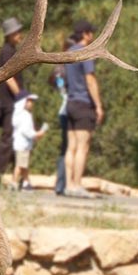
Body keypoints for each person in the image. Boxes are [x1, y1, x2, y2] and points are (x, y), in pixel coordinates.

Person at [64, 20, 104, 198]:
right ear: (86, 34)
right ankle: (77, 185)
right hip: (83, 104)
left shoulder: (69, 53)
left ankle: (68, 185)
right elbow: (90, 80)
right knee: (83, 147)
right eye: (91, 33)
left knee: (71, 147)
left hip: (70, 103)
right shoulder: (86, 53)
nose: (93, 36)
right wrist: (98, 105)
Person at [0, 17, 25, 182]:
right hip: (10, 103)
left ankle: (19, 177)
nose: (19, 34)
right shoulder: (7, 51)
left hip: (12, 102)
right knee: (8, 139)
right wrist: (21, 96)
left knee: (17, 139)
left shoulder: (11, 50)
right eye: (15, 32)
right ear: (9, 35)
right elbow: (8, 77)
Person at [53, 36, 76, 195]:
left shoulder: (60, 68)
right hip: (69, 108)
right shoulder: (65, 67)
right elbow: (62, 88)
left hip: (65, 108)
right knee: (68, 147)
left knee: (67, 147)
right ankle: (63, 184)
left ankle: (62, 184)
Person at [12, 90, 47, 191]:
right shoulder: (25, 115)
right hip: (23, 145)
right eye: (29, 100)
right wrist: (38, 134)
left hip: (21, 144)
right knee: (20, 165)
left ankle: (26, 183)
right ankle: (14, 183)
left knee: (23, 165)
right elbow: (26, 131)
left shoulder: (18, 115)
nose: (31, 103)